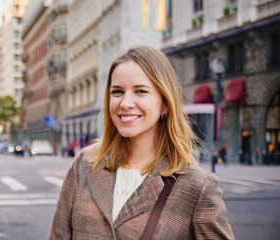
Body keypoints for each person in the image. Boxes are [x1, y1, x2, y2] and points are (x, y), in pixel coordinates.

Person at [49, 45, 234, 239]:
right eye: (117, 92)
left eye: (140, 91)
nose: (125, 103)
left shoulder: (197, 186)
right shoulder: (85, 164)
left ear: (165, 103)